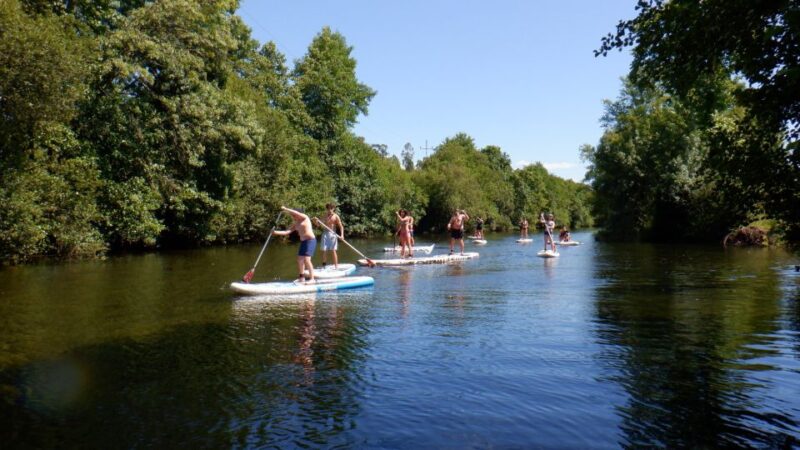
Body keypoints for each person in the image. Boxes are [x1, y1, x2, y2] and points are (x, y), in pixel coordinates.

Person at [272, 206, 316, 283]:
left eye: (294, 215)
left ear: (298, 214)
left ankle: (312, 279)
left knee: (307, 260)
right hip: (303, 242)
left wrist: (286, 209)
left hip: (310, 241)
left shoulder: (305, 218)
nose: (293, 216)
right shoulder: (296, 224)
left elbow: (296, 213)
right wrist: (275, 232)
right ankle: (302, 278)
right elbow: (286, 232)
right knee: (300, 260)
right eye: (292, 215)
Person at [320, 203, 344, 269]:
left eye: (331, 208)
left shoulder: (336, 216)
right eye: (328, 209)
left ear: (333, 209)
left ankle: (336, 266)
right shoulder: (324, 216)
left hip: (333, 234)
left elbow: (341, 226)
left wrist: (342, 235)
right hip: (325, 233)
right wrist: (316, 221)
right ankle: (324, 266)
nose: (329, 210)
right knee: (324, 250)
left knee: (333, 250)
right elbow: (318, 224)